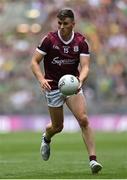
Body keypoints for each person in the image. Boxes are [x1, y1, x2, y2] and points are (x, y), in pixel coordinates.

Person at [31, 8, 102, 174]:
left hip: (72, 85)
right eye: (59, 23)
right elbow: (34, 62)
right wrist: (41, 79)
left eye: (65, 24)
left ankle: (93, 161)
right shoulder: (49, 40)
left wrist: (80, 80)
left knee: (83, 120)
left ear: (73, 24)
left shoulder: (81, 42)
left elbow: (85, 67)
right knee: (57, 127)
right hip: (53, 87)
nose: (62, 26)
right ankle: (46, 137)